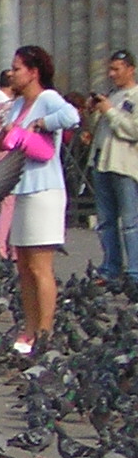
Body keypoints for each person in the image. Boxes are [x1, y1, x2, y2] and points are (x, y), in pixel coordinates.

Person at [0, 45, 81, 355]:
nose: (12, 73)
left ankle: (44, 331)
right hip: (21, 187)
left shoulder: (47, 98)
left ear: (33, 72)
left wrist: (42, 124)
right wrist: (3, 133)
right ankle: (28, 328)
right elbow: (3, 140)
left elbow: (71, 116)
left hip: (45, 189)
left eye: (17, 68)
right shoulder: (16, 105)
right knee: (24, 266)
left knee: (40, 266)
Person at [88, 48, 138, 285]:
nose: (111, 74)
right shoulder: (111, 95)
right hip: (101, 162)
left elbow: (133, 130)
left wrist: (109, 111)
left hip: (124, 165)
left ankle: (134, 272)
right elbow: (97, 129)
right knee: (106, 221)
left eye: (116, 69)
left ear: (131, 69)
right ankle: (110, 268)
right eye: (110, 69)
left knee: (130, 221)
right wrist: (93, 112)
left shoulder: (135, 96)